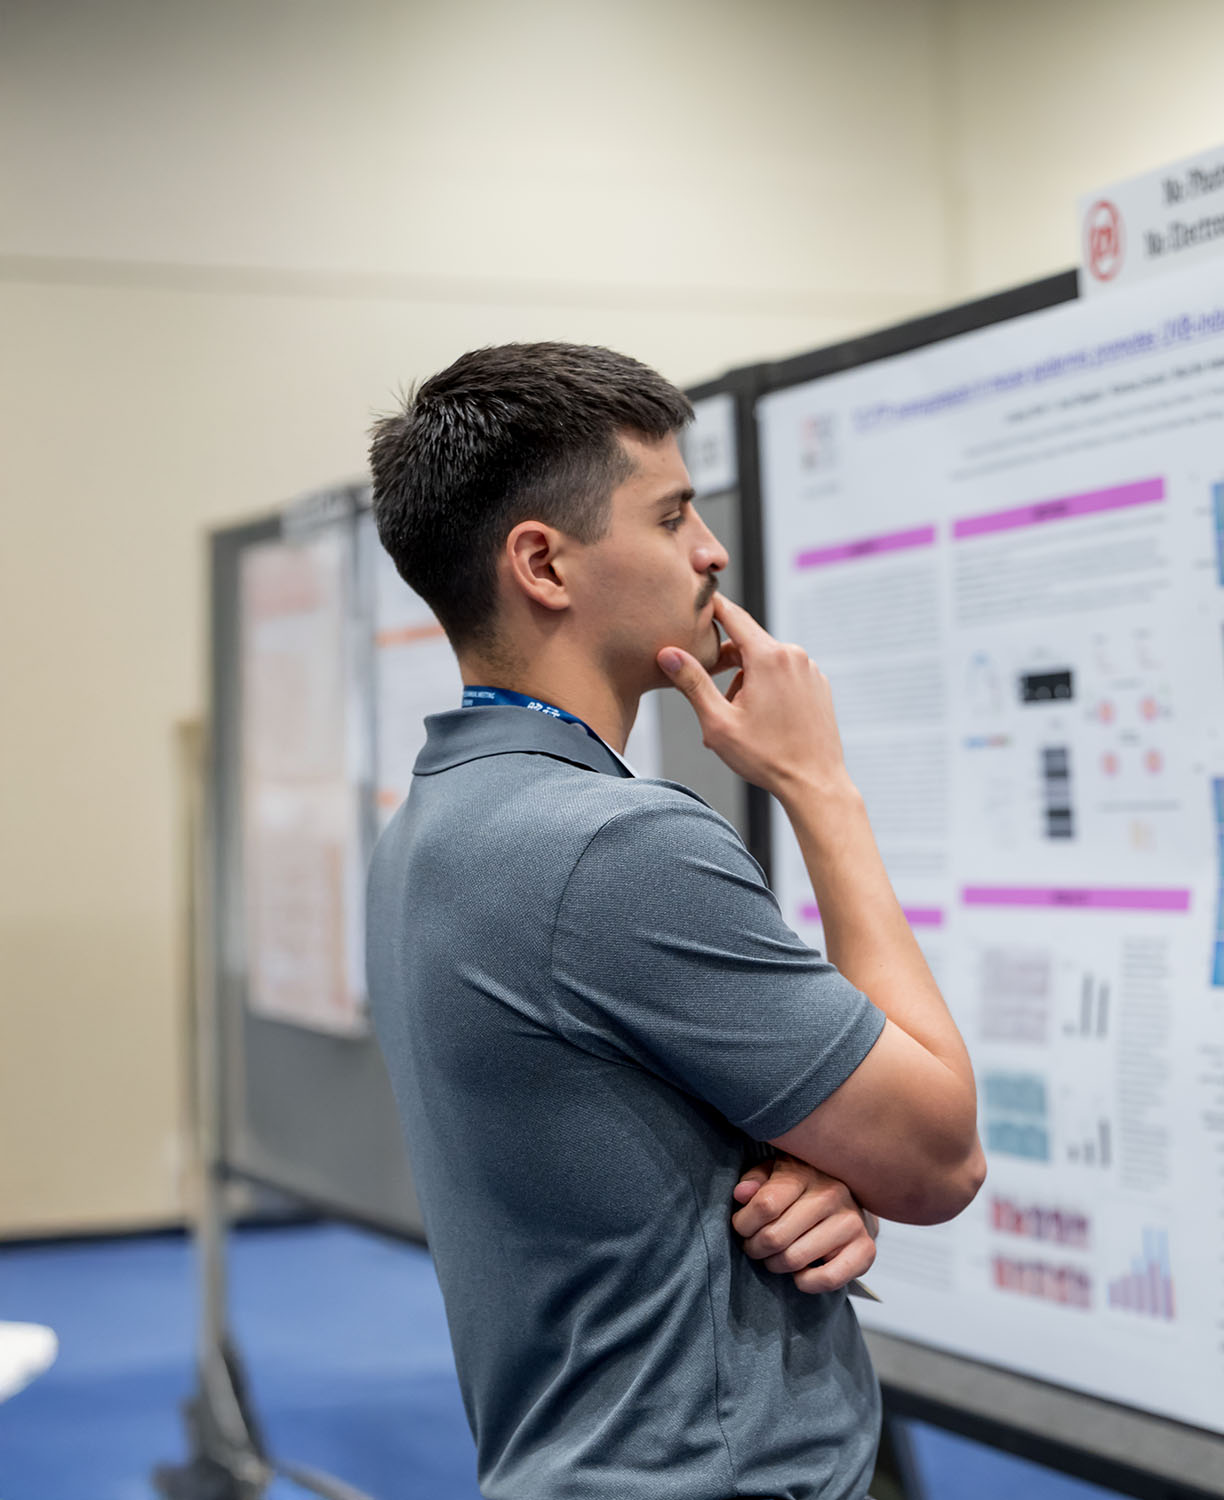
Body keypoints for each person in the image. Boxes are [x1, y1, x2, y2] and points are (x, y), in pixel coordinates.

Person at [365, 342, 984, 1500]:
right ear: (543, 564)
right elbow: (941, 1153)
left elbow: (614, 1140)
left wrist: (823, 1176)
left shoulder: (433, 826)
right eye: (674, 515)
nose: (712, 553)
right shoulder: (613, 846)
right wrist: (818, 785)